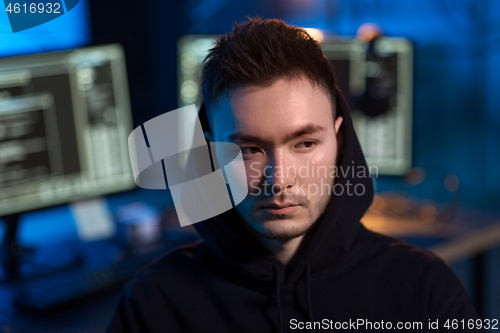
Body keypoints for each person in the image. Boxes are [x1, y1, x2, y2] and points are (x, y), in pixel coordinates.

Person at [107, 18, 481, 332]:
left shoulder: (426, 293)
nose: (279, 179)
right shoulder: (152, 306)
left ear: (338, 139)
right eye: (248, 150)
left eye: (304, 143)